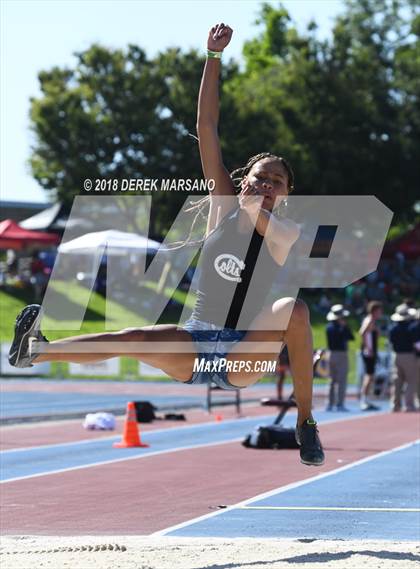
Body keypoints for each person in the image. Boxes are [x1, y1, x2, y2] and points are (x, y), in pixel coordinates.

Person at [8, 23, 324, 466]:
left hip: (241, 355)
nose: (267, 184)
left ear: (287, 193)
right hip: (195, 344)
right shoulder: (223, 208)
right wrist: (212, 58)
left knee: (295, 310)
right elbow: (206, 125)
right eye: (260, 177)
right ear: (243, 178)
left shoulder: (285, 231)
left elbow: (269, 228)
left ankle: (305, 423)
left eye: (277, 181)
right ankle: (36, 351)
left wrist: (253, 205)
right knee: (132, 336)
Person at [325, 304, 354, 411]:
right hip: (339, 353)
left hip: (332, 354)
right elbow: (342, 338)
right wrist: (343, 328)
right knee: (340, 380)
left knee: (332, 380)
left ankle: (330, 403)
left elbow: (351, 337)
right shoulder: (333, 328)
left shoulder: (330, 327)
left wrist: (345, 327)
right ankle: (339, 404)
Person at [389, 304, 418, 412]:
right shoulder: (411, 328)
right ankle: (409, 405)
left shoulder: (393, 328)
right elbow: (415, 343)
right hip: (409, 355)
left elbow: (391, 342)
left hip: (396, 355)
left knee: (397, 381)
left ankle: (395, 405)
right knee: (411, 380)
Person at [359, 301, 383, 411]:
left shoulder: (372, 321)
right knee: (369, 376)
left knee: (371, 376)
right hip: (369, 352)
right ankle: (363, 400)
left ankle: (367, 399)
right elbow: (362, 333)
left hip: (371, 351)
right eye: (379, 310)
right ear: (374, 311)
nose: (381, 312)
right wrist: (368, 348)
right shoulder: (369, 320)